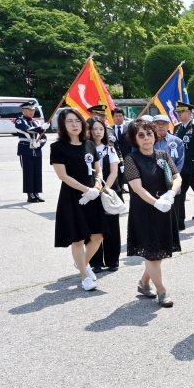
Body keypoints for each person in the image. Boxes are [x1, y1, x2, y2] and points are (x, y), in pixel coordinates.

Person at [123, 119, 181, 307]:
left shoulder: (163, 154)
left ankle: (143, 282)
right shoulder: (131, 159)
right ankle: (162, 291)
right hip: (144, 211)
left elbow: (176, 176)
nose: (146, 138)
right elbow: (137, 188)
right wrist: (157, 203)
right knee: (152, 253)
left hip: (164, 208)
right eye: (141, 135)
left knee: (160, 252)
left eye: (149, 133)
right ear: (134, 139)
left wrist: (171, 194)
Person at [50, 108, 108, 291]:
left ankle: (82, 263)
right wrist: (86, 190)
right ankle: (85, 276)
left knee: (98, 236)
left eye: (77, 121)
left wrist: (97, 187)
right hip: (73, 197)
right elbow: (63, 176)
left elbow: (98, 170)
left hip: (93, 194)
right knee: (78, 240)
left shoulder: (89, 144)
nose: (74, 125)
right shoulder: (58, 147)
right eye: (69, 121)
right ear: (63, 125)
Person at [87, 117, 122, 273]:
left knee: (112, 228)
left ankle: (112, 260)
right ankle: (95, 262)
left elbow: (114, 171)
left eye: (101, 129)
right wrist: (95, 189)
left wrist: (104, 189)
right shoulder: (85, 148)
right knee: (93, 229)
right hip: (91, 192)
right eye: (94, 129)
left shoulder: (109, 149)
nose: (98, 132)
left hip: (107, 192)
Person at [173, 102, 194, 225]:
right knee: (179, 197)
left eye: (181, 112)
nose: (179, 114)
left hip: (193, 169)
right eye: (178, 112)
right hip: (181, 169)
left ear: (189, 113)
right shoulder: (177, 127)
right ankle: (179, 222)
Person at [15, 101, 48, 202]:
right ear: (23, 110)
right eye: (29, 109)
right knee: (28, 172)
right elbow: (27, 129)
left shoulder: (37, 122)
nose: (32, 111)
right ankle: (30, 195)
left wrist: (40, 144)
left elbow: (44, 137)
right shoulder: (19, 120)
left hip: (36, 150)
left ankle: (36, 193)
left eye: (33, 109)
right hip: (25, 149)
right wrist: (41, 128)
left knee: (37, 172)